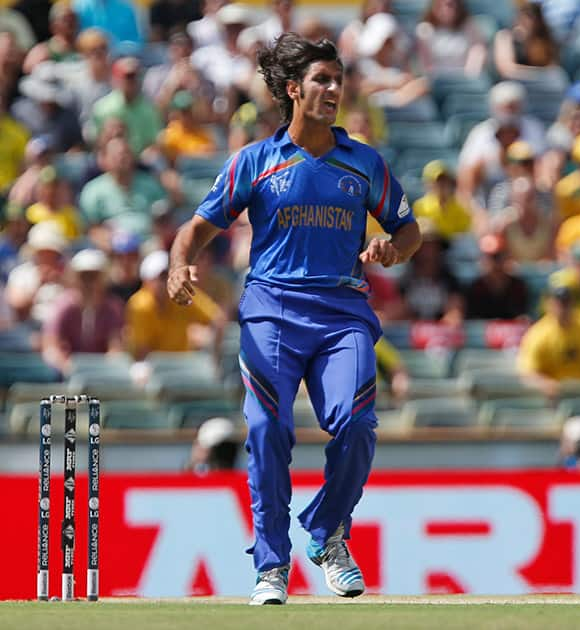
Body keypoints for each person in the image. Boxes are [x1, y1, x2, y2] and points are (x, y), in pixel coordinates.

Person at [165, 33, 421, 605]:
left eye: (338, 80)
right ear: (292, 90)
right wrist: (179, 265)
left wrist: (391, 250)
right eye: (321, 81)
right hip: (271, 311)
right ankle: (271, 567)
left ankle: (329, 532)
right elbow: (197, 229)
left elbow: (408, 230)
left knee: (355, 424)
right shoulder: (255, 161)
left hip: (342, 311)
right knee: (265, 430)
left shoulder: (364, 162)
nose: (333, 90)